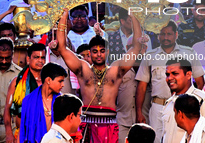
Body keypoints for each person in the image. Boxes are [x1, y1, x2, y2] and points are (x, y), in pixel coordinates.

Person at [57, 8, 144, 143]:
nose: (98, 54)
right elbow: (62, 47)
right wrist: (64, 17)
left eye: (102, 51)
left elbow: (136, 47)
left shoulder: (116, 70)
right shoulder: (83, 69)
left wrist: (133, 17)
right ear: (90, 53)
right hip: (87, 125)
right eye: (95, 51)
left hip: (109, 124)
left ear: (107, 52)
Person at [135, 20, 205, 143]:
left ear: (176, 35)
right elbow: (142, 86)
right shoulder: (150, 56)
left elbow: (200, 82)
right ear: (158, 35)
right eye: (162, 34)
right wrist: (139, 112)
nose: (165, 37)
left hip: (182, 107)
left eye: (169, 34)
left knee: (179, 140)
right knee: (155, 140)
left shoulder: (188, 53)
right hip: (158, 107)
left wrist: (195, 106)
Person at [161, 59, 205, 143]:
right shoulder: (169, 103)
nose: (169, 78)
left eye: (175, 73)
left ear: (188, 75)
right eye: (167, 74)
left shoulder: (204, 101)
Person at [3, 43, 46, 143]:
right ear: (28, 59)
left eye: (42, 57)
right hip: (22, 135)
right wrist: (9, 133)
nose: (40, 61)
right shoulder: (17, 82)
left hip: (44, 133)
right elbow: (7, 108)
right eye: (36, 57)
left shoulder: (48, 81)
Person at [20, 62, 67, 143]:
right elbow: (22, 131)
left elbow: (71, 132)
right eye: (60, 81)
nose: (63, 85)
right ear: (48, 80)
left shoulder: (64, 102)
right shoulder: (28, 101)